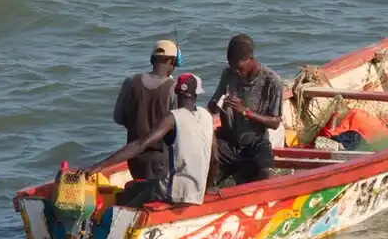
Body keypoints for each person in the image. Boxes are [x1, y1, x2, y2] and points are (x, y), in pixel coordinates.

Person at [85, 74, 214, 207]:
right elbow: (214, 157)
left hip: (172, 193)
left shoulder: (173, 118)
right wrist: (207, 188)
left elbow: (140, 145)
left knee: (127, 203)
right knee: (134, 188)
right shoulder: (207, 117)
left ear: (176, 92)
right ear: (197, 93)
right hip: (196, 192)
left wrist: (99, 166)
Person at [208, 34, 283, 185]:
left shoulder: (271, 81)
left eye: (239, 67)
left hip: (256, 141)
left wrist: (245, 111)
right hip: (230, 140)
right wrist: (216, 104)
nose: (236, 71)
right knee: (205, 162)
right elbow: (213, 104)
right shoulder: (228, 74)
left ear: (250, 58)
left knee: (266, 174)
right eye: (232, 67)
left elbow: (275, 122)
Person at [112, 40, 178, 180]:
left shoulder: (131, 82)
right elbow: (180, 130)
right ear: (173, 62)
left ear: (151, 60)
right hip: (161, 161)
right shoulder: (174, 88)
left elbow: (118, 118)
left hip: (133, 160)